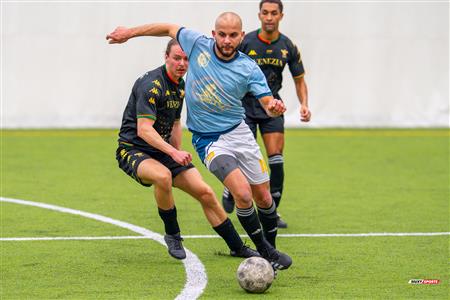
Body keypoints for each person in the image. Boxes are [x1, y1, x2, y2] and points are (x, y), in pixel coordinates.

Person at [107, 12, 292, 270]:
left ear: (241, 36)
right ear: (213, 34)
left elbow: (266, 102)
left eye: (233, 35)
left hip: (237, 134)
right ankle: (176, 235)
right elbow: (167, 26)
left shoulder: (237, 70)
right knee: (238, 192)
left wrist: (273, 107)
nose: (227, 40)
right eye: (222, 34)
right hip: (184, 143)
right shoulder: (172, 67)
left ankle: (250, 248)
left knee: (252, 196)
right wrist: (129, 33)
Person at [115, 39, 259, 260]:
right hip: (133, 150)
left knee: (206, 193)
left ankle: (237, 246)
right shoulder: (151, 85)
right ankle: (173, 235)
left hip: (163, 151)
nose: (182, 63)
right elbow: (144, 130)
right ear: (166, 57)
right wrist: (173, 153)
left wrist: (178, 152)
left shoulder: (181, 85)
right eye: (176, 58)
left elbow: (174, 123)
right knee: (162, 176)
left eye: (186, 59)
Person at [222, 0, 311, 229]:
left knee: (277, 161)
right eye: (265, 13)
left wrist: (304, 104)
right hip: (245, 108)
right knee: (243, 157)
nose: (269, 17)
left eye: (274, 13)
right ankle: (230, 188)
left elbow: (299, 80)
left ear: (281, 16)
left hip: (272, 107)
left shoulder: (287, 46)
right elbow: (227, 68)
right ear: (259, 15)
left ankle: (273, 212)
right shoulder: (246, 41)